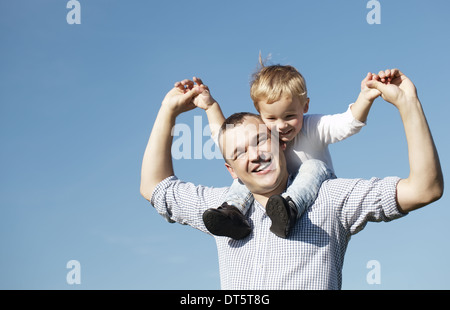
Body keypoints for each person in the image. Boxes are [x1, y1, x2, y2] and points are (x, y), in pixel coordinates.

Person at [140, 69, 443, 289]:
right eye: (240, 152)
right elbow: (155, 187)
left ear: (280, 144)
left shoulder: (330, 199)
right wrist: (168, 111)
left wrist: (408, 103)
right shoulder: (219, 212)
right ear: (231, 169)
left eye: (260, 141)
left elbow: (424, 189)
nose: (254, 154)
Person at [191, 63, 381, 239]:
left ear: (305, 106)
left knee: (313, 166)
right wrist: (210, 106)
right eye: (271, 118)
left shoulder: (312, 127)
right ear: (260, 112)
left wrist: (365, 98)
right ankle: (232, 213)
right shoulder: (262, 133)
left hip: (315, 193)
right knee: (245, 172)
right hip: (279, 195)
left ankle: (289, 210)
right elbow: (226, 138)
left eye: (290, 116)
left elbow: (346, 124)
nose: (281, 125)